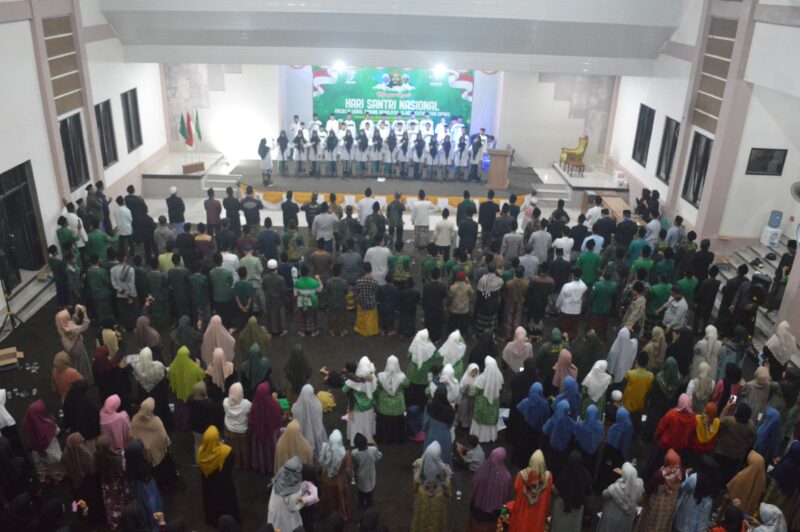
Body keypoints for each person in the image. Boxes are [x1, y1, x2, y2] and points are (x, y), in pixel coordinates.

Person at [197, 425, 240, 526]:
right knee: (227, 502)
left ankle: (213, 521)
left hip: (209, 486)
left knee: (212, 502)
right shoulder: (226, 452)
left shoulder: (201, 453)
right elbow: (231, 466)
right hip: (225, 485)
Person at [129, 397, 175, 487]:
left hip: (141, 453)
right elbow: (163, 437)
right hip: (156, 453)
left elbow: (131, 434)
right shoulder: (156, 421)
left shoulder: (135, 419)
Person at [466, 447, 513, 532]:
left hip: (478, 509)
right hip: (495, 513)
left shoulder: (481, 471)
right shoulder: (506, 477)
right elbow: (506, 497)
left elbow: (473, 486)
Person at [636, 449, 684, 532]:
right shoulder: (680, 472)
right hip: (668, 508)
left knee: (650, 525)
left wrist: (642, 499)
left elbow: (648, 490)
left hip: (656, 508)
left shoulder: (658, 475)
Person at [267, 456, 319, 532]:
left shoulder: (281, 478)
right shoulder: (292, 488)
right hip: (288, 518)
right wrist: (305, 499)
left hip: (275, 512)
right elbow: (293, 507)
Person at [410, 441, 452, 532]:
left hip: (423, 496)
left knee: (422, 518)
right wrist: (448, 495)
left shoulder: (419, 464)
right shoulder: (443, 469)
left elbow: (416, 481)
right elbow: (447, 485)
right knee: (436, 520)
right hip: (438, 498)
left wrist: (417, 490)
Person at [507, 450, 552, 532]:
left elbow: (516, 488)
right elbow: (548, 496)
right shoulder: (548, 477)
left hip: (522, 512)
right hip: (538, 514)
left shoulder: (522, 475)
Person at [23, 399, 66, 484]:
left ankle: (45, 478)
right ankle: (58, 477)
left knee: (41, 464)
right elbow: (57, 432)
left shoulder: (26, 423)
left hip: (36, 449)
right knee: (55, 464)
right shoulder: (47, 424)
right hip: (51, 449)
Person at [549, 450, 592, 532]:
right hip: (577, 509)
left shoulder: (565, 472)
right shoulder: (585, 474)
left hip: (562, 506)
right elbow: (588, 492)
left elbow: (556, 490)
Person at [714, 402, 755, 484]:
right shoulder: (750, 426)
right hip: (736, 457)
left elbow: (717, 423)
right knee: (726, 477)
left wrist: (726, 409)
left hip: (722, 452)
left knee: (715, 473)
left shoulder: (729, 421)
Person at [597, 462, 644, 532]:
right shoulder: (639, 485)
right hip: (627, 520)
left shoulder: (616, 487)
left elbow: (604, 494)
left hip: (612, 517)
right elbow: (641, 497)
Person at [55, 304, 93, 385]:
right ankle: (85, 380)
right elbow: (85, 325)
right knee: (82, 364)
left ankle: (77, 379)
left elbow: (71, 321)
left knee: (75, 363)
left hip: (69, 347)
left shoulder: (62, 325)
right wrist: (85, 313)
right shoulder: (72, 329)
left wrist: (76, 312)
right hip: (77, 346)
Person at [374, 355, 409, 444]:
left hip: (383, 407)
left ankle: (383, 438)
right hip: (398, 407)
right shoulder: (403, 377)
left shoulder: (380, 376)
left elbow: (376, 388)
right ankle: (397, 439)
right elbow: (407, 385)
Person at [470, 357, 503, 443]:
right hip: (494, 403)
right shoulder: (499, 376)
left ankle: (478, 437)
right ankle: (490, 437)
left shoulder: (482, 377)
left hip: (482, 403)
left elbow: (475, 391)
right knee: (491, 420)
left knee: (480, 420)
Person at [725, 450, 767, 517]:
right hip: (745, 517)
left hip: (730, 512)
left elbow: (730, 489)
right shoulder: (762, 482)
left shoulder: (741, 476)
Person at [292, 384, 328, 459]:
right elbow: (319, 419)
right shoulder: (317, 405)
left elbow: (295, 416)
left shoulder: (296, 409)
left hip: (302, 435)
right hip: (316, 433)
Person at [423, 386, 455, 466]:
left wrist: (425, 430)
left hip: (431, 435)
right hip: (445, 437)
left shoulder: (429, 406)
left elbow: (425, 423)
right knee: (444, 457)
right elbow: (450, 425)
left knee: (430, 456)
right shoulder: (450, 410)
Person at [351, 433, 382, 510]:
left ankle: (361, 506)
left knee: (361, 493)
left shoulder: (354, 453)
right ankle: (370, 506)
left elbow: (354, 464)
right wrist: (375, 446)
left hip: (360, 476)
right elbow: (379, 456)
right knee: (370, 493)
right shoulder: (373, 450)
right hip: (370, 475)